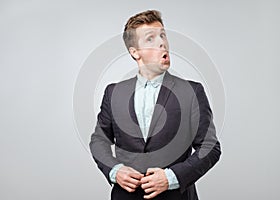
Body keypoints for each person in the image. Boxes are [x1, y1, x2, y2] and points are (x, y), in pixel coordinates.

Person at [90, 10, 221, 200]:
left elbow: (210, 147)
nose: (162, 42)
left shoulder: (192, 91)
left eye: (162, 35)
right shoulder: (113, 93)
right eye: (150, 39)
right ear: (135, 52)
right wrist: (115, 171)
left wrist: (171, 177)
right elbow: (99, 141)